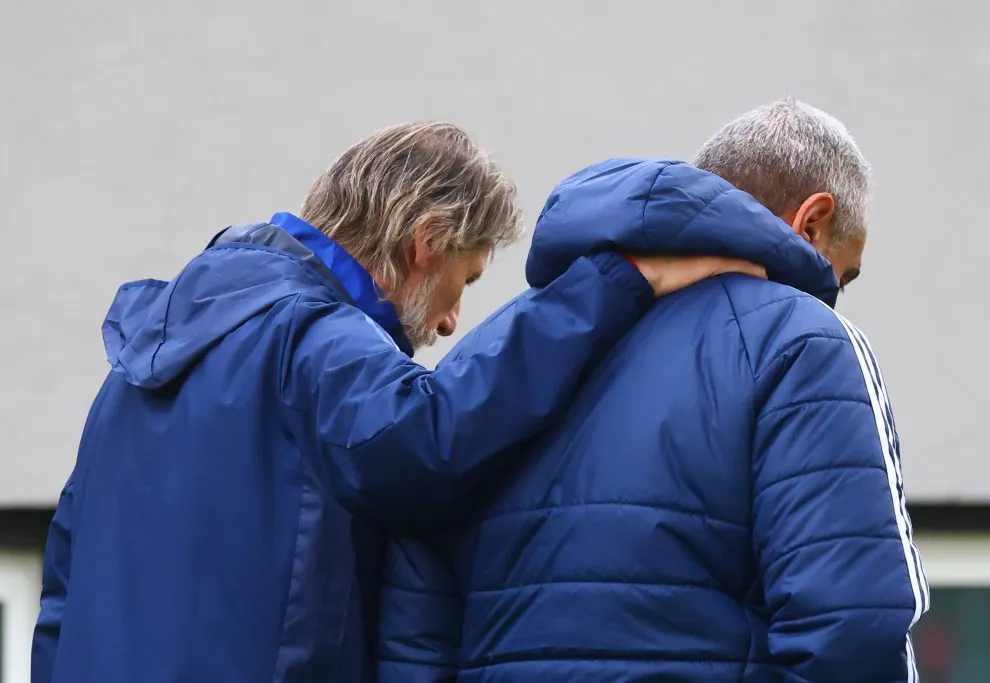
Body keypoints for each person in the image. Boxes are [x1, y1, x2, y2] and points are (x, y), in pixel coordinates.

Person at [29, 122, 765, 683]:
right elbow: (429, 441)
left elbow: (59, 594)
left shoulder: (139, 363)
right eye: (466, 282)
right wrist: (618, 283)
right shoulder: (311, 337)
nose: (450, 323)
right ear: (427, 240)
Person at [378, 101, 929, 682]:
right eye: (840, 276)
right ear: (810, 223)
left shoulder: (484, 356)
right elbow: (854, 629)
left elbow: (412, 633)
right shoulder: (805, 343)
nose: (832, 297)